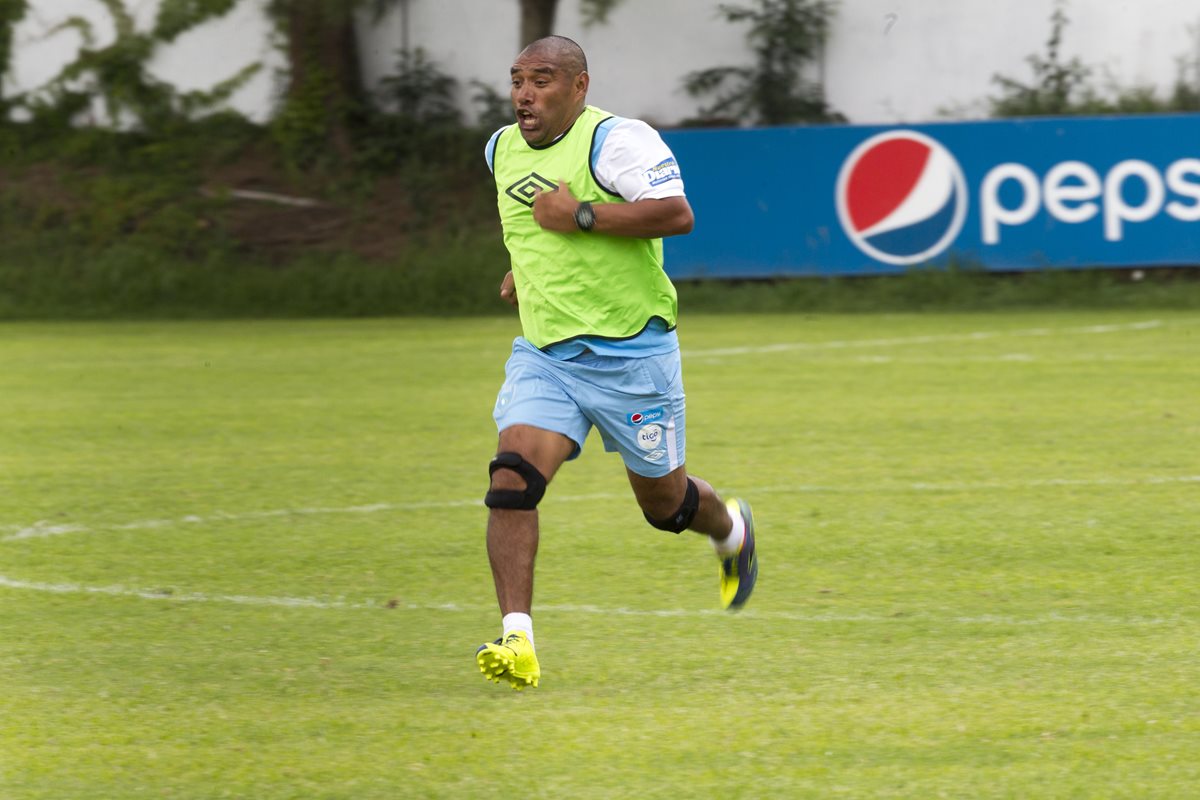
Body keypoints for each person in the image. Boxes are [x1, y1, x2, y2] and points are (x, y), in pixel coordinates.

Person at [475, 35, 757, 691]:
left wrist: (578, 215)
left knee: (665, 506)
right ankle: (517, 639)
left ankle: (732, 530)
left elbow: (676, 214)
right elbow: (527, 224)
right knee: (511, 478)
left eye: (541, 80)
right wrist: (525, 268)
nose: (524, 93)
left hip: (633, 356)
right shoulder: (499, 149)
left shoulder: (620, 142)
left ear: (579, 86)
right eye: (517, 79)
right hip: (547, 357)